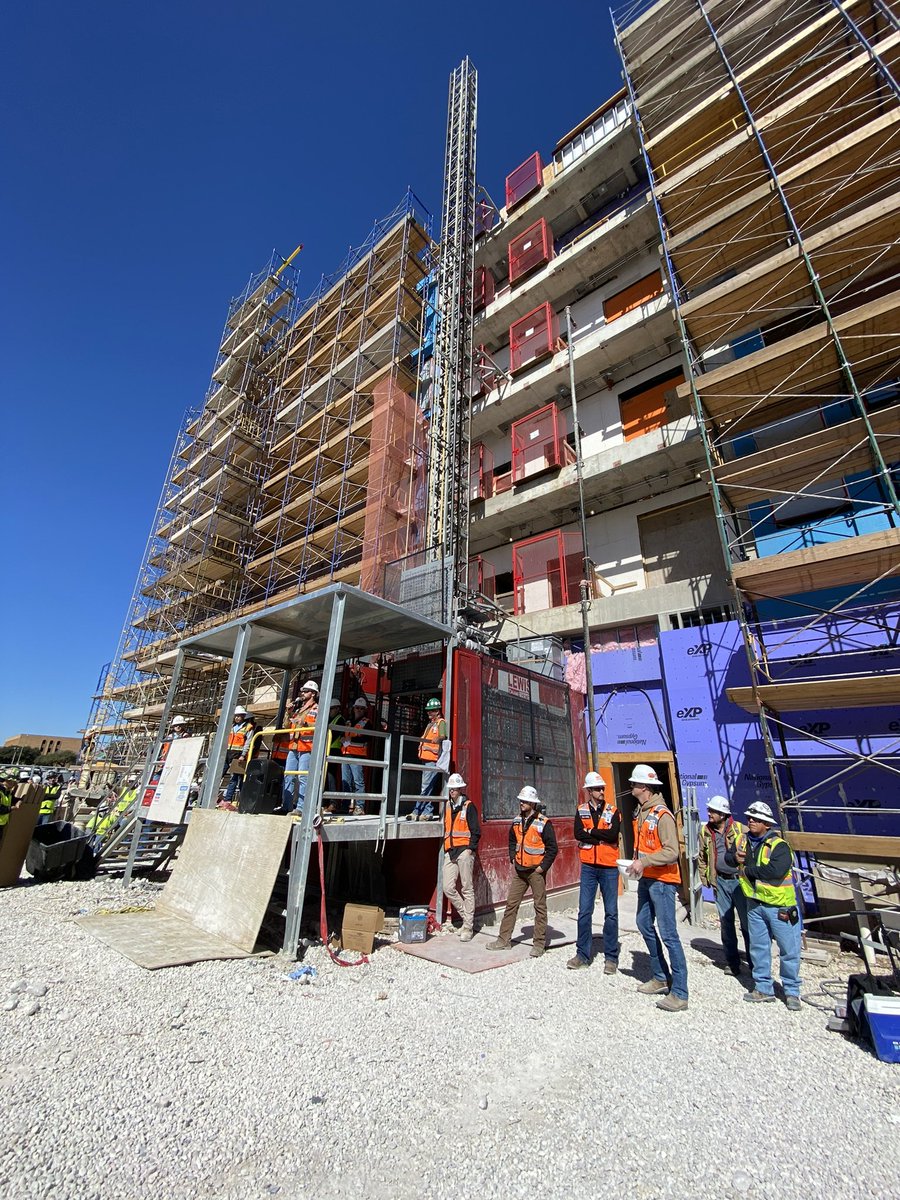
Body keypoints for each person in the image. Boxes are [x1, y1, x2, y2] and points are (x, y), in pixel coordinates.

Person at [627, 764, 689, 1012]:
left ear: (644, 787)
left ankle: (680, 992)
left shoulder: (662, 815)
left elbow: (672, 852)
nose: (631, 787)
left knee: (669, 934)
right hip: (647, 878)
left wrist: (644, 861)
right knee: (643, 923)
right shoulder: (641, 812)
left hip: (663, 881)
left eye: (633, 784)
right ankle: (660, 976)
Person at [736, 801, 802, 1011]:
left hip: (780, 907)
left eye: (756, 819)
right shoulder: (744, 841)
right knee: (758, 948)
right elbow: (730, 859)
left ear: (766, 823)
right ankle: (763, 987)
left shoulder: (779, 846)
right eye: (749, 818)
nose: (751, 821)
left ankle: (792, 991)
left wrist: (747, 870)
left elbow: (775, 871)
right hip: (755, 904)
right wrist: (736, 860)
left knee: (789, 950)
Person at [487, 785, 558, 957]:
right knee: (511, 904)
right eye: (521, 800)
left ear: (532, 803)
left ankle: (539, 944)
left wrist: (542, 867)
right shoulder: (517, 821)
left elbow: (552, 848)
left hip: (536, 871)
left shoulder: (544, 823)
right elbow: (512, 840)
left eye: (525, 801)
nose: (521, 803)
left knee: (539, 906)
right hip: (520, 870)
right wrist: (512, 856)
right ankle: (504, 940)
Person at [568, 771, 621, 973]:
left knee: (612, 913)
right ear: (589, 791)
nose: (601, 791)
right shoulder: (581, 810)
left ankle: (611, 957)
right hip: (589, 866)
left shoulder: (613, 811)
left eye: (602, 789)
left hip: (608, 866)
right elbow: (577, 833)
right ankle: (582, 954)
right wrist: (598, 837)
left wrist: (592, 832)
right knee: (584, 911)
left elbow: (612, 834)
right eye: (597, 789)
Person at [699, 794, 749, 976]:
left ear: (723, 814)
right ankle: (733, 962)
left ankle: (753, 962)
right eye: (709, 810)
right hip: (720, 882)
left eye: (713, 811)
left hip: (739, 882)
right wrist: (706, 879)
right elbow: (702, 857)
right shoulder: (705, 832)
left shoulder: (740, 830)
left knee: (746, 924)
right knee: (726, 924)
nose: (709, 813)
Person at [442, 773, 481, 941]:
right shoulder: (447, 807)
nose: (452, 791)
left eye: (455, 789)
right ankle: (467, 918)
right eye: (451, 789)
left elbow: (476, 831)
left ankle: (468, 927)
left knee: (467, 888)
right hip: (450, 852)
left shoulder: (469, 806)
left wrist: (470, 850)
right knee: (448, 887)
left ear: (460, 789)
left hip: (464, 852)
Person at [280, 682, 318, 814]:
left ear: (313, 693)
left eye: (306, 691)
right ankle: (286, 806)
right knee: (289, 776)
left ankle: (301, 808)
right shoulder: (297, 710)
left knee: (303, 777)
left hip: (306, 747)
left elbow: (321, 724)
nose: (302, 693)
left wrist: (306, 722)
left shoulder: (317, 709)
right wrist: (288, 713)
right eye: (302, 690)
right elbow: (286, 726)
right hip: (294, 746)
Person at [409, 697, 446, 821]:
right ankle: (427, 811)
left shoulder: (441, 723)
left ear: (437, 711)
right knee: (427, 786)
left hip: (433, 760)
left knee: (425, 786)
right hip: (426, 759)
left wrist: (439, 739)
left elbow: (443, 735)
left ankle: (417, 811)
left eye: (431, 710)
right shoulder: (431, 724)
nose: (429, 713)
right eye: (428, 711)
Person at [222, 706, 256, 807]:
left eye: (239, 716)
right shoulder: (231, 726)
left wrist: (243, 755)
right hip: (227, 753)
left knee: (234, 778)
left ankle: (228, 799)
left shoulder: (248, 727)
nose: (237, 718)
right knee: (220, 774)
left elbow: (248, 742)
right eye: (236, 716)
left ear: (243, 716)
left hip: (238, 755)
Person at [341, 697, 370, 815]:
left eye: (361, 708)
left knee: (358, 781)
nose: (359, 710)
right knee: (345, 781)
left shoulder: (367, 722)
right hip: (345, 753)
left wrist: (351, 738)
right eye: (357, 708)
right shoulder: (348, 721)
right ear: (353, 709)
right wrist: (343, 739)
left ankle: (359, 806)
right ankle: (345, 806)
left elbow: (367, 737)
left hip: (357, 755)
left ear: (365, 710)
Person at [94, 772, 141, 839]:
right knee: (111, 826)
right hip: (119, 814)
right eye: (130, 781)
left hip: (128, 815)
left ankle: (122, 842)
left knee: (123, 828)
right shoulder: (124, 789)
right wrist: (109, 785)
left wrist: (130, 812)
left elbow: (136, 804)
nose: (131, 783)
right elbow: (115, 788)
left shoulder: (137, 792)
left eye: (133, 781)